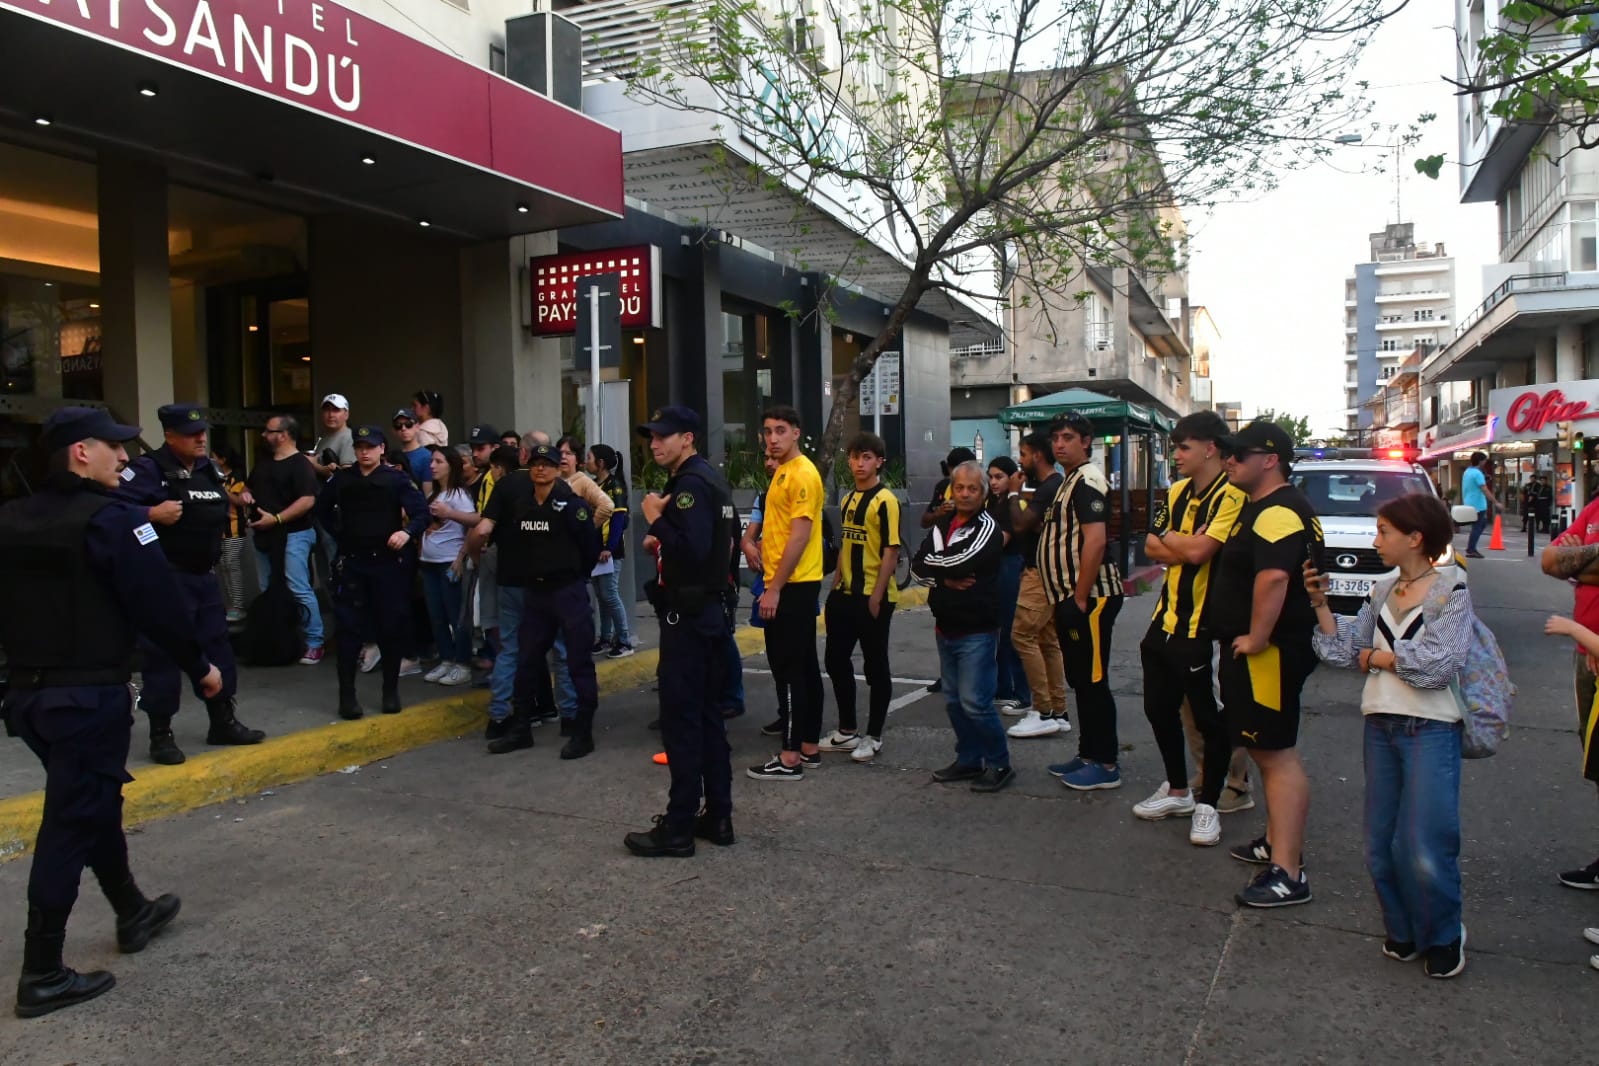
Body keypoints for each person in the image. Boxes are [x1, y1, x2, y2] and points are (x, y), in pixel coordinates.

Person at [0, 406, 224, 1018]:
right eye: (114, 448)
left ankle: (132, 909)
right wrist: (200, 667)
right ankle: (43, 970)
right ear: (80, 452)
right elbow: (160, 607)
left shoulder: (11, 519)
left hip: (30, 699)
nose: (125, 459)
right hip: (87, 697)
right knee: (71, 820)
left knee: (89, 800)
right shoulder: (115, 521)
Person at [1310, 493, 1472, 979]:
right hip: (1379, 723)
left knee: (1424, 843)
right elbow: (1346, 651)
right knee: (1379, 844)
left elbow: (1438, 668)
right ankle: (1403, 931)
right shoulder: (1381, 589)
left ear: (1415, 537)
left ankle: (1445, 935)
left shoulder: (1452, 589)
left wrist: (1382, 659)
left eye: (1383, 531)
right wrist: (1319, 603)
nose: (1375, 540)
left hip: (1431, 727)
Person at [1208, 420, 1323, 908]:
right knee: (1264, 750)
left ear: (1270, 460)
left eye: (1239, 453)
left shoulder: (1278, 510)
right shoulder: (1262, 506)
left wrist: (1256, 637)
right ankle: (1277, 844)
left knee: (1276, 756)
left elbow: (1274, 579)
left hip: (1269, 654)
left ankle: (1288, 872)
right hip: (1264, 652)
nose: (1229, 460)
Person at [115, 404, 265, 764]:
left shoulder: (208, 469)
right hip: (167, 579)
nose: (201, 438)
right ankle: (161, 733)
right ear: (169, 435)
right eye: (191, 433)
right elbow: (112, 512)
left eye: (203, 432)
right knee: (163, 655)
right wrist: (151, 514)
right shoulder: (148, 470)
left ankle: (222, 721)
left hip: (204, 578)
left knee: (218, 651)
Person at [1130, 411, 1250, 844]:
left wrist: (1179, 544)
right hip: (1164, 622)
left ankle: (1209, 804)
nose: (1175, 455)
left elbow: (1200, 551)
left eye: (1183, 447)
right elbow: (1150, 543)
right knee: (1158, 710)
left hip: (1206, 628)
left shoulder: (1232, 495)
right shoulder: (1177, 491)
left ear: (1210, 448)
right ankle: (1178, 790)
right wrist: (1187, 542)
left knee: (1208, 721)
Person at [624, 407, 739, 857]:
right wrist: (664, 533)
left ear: (687, 438)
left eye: (664, 437)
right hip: (707, 612)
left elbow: (692, 548)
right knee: (708, 718)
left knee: (683, 721)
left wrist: (655, 517)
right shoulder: (709, 478)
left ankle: (678, 827)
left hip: (688, 617)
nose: (655, 444)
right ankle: (718, 816)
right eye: (651, 437)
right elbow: (707, 543)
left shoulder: (690, 484)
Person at [473, 443, 603, 757]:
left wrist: (574, 577)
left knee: (577, 662)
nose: (540, 469)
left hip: (567, 592)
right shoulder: (524, 506)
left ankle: (581, 732)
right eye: (535, 464)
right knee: (526, 661)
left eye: (547, 464)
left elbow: (589, 548)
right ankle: (520, 730)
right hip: (536, 594)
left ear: (559, 469)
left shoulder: (573, 506)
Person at [911, 460, 1012, 791]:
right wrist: (945, 579)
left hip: (977, 631)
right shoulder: (942, 525)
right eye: (959, 487)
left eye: (972, 488)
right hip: (946, 628)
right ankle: (969, 759)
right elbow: (915, 567)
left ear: (983, 493)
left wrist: (937, 572)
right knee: (953, 702)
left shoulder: (988, 528)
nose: (965, 493)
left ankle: (999, 763)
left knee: (975, 703)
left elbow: (962, 561)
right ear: (950, 490)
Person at [1037, 413, 1125, 790]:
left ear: (1086, 441)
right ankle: (1088, 753)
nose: (1060, 444)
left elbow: (1096, 541)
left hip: (1090, 597)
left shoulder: (1087, 480)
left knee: (1093, 680)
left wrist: (1080, 596)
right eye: (1056, 437)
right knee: (1081, 680)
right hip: (1071, 597)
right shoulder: (1069, 480)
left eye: (1069, 437)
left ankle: (1105, 764)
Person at [316, 425, 429, 719]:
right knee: (349, 631)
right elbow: (322, 509)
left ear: (381, 449)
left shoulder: (395, 479)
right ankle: (347, 696)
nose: (364, 451)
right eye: (360, 446)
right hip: (353, 563)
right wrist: (339, 533)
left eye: (370, 446)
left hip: (387, 564)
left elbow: (421, 513)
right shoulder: (342, 479)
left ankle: (390, 691)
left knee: (390, 628)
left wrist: (406, 533)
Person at [747, 405, 826, 781]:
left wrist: (774, 588)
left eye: (780, 430)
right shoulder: (782, 473)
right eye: (767, 431)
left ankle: (790, 757)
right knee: (803, 667)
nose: (773, 438)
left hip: (792, 585)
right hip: (783, 581)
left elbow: (801, 534)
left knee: (789, 669)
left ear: (797, 432)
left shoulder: (803, 474)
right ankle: (808, 746)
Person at [819, 432, 902, 763]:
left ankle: (875, 734)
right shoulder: (847, 499)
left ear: (879, 461)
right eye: (854, 457)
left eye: (866, 457)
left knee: (875, 664)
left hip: (873, 596)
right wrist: (836, 584)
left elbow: (891, 552)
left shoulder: (886, 502)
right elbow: (844, 545)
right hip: (844, 595)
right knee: (835, 660)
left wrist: (876, 596)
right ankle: (847, 729)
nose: (859, 463)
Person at [1540, 497, 1599, 890]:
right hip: (1588, 655)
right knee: (1596, 761)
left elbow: (1569, 563)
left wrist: (1580, 564)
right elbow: (1550, 561)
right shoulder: (1595, 509)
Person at [243, 414, 324, 664]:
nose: (264, 435)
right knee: (270, 588)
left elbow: (308, 499)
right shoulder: (264, 464)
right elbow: (249, 488)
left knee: (298, 587)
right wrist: (245, 496)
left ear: (284, 435)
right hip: (264, 535)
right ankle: (279, 640)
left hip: (294, 534)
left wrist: (277, 518)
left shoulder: (300, 464)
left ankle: (314, 641)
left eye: (269, 431)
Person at [1006, 431, 1070, 738]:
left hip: (1040, 573)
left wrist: (1013, 493)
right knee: (1047, 640)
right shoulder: (1053, 486)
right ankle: (1058, 710)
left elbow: (1020, 524)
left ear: (1038, 456)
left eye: (1023, 453)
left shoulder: (1049, 487)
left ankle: (1043, 710)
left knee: (1022, 635)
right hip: (1043, 571)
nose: (1020, 460)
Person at [742, 455, 791, 737]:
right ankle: (786, 715)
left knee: (794, 657)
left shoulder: (799, 490)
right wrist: (749, 546)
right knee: (775, 654)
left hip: (792, 584)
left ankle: (800, 726)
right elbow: (750, 536)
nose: (770, 463)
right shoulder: (764, 498)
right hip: (768, 582)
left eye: (776, 458)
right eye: (768, 459)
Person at [418, 446, 476, 686]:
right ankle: (446, 658)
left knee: (456, 615)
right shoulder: (434, 494)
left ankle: (462, 663)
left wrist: (460, 558)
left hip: (448, 562)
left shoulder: (458, 495)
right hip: (429, 563)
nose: (432, 465)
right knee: (436, 615)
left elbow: (474, 523)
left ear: (450, 466)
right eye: (432, 461)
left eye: (438, 461)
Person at [985, 455, 1031, 716]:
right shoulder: (993, 502)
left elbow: (1000, 540)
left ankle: (1023, 694)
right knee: (999, 631)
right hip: (996, 569)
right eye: (990, 476)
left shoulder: (1013, 504)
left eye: (999, 476)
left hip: (1009, 567)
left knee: (1013, 632)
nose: (993, 481)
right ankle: (1003, 688)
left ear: (1012, 477)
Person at [587, 443, 634, 657]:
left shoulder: (614, 486)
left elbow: (619, 518)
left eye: (589, 457)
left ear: (601, 463)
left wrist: (609, 548)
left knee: (610, 594)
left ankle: (624, 640)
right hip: (595, 550)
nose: (586, 461)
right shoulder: (594, 485)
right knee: (601, 596)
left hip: (609, 552)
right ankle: (605, 638)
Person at [212, 446, 250, 624]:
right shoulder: (212, 476)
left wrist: (221, 489)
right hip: (218, 530)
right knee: (224, 567)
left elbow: (238, 500)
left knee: (232, 565)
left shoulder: (237, 476)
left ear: (223, 459)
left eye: (214, 457)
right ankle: (231, 605)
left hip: (235, 529)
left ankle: (238, 606)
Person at [920, 446, 975, 529]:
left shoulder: (983, 489)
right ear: (950, 469)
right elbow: (924, 523)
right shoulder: (943, 487)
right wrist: (937, 513)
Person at [1461, 451, 1500, 559]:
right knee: (1478, 526)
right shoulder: (1478, 473)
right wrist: (1496, 502)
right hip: (1477, 504)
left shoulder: (1467, 472)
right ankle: (1471, 549)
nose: (1485, 463)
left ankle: (1471, 548)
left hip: (1469, 502)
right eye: (1484, 461)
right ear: (1480, 461)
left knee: (1479, 525)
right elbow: (1485, 489)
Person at [308, 393, 355, 479]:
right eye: (327, 410)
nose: (331, 415)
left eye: (336, 410)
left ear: (346, 414)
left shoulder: (349, 437)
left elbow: (347, 476)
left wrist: (314, 465)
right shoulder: (323, 437)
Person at [393, 408, 433, 492]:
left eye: (408, 424)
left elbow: (427, 495)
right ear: (394, 431)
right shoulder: (392, 457)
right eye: (398, 425)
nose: (403, 429)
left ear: (417, 427)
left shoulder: (427, 456)